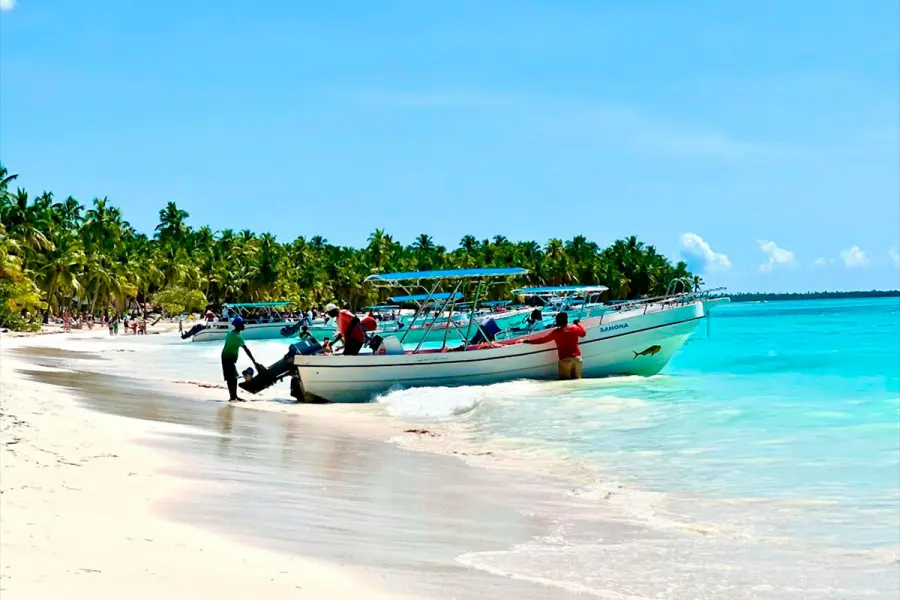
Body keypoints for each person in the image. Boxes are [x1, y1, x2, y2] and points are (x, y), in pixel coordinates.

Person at [523, 312, 586, 380]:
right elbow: (583, 334)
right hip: (577, 359)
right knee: (577, 381)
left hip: (565, 359)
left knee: (565, 384)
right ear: (567, 319)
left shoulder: (556, 332)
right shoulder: (574, 327)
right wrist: (578, 324)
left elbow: (543, 340)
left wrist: (529, 341)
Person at [221, 316, 260, 402]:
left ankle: (233, 396)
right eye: (242, 324)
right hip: (228, 358)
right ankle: (233, 397)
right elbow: (246, 350)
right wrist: (254, 361)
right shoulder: (238, 337)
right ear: (238, 325)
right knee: (233, 377)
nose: (244, 325)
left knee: (231, 378)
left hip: (225, 357)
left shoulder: (230, 333)